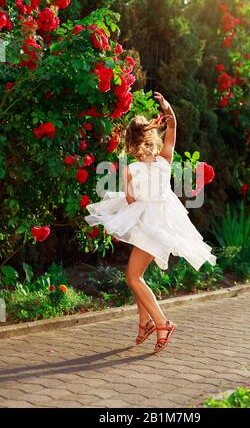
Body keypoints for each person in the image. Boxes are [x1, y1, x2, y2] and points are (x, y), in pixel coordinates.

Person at [84, 92, 217, 354]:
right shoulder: (164, 160)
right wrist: (168, 109)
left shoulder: (131, 169)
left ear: (131, 145)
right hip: (163, 223)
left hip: (149, 227)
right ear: (151, 140)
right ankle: (144, 322)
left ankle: (162, 322)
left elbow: (132, 201)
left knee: (133, 278)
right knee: (137, 276)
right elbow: (174, 127)